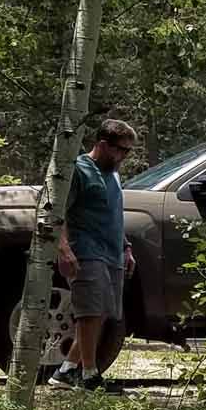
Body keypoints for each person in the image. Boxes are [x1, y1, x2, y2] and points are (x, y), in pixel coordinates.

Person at [51, 117, 137, 389]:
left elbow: (112, 215)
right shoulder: (78, 169)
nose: (123, 156)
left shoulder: (113, 173)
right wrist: (64, 249)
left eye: (127, 151)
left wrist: (126, 247)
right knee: (89, 312)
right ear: (102, 144)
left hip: (112, 252)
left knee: (99, 314)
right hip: (86, 251)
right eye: (120, 150)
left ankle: (65, 371)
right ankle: (89, 376)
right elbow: (57, 213)